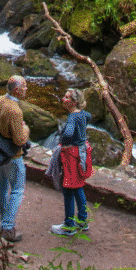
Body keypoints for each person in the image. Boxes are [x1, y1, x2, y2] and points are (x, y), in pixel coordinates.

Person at [0, 75, 30, 244]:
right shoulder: (15, 110)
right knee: (18, 190)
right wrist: (26, 128)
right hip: (12, 156)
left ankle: (3, 222)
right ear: (17, 90)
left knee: (2, 187)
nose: (27, 89)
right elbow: (20, 140)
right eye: (25, 86)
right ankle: (7, 227)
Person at [51, 88, 93, 235]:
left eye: (66, 97)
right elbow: (89, 116)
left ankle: (68, 226)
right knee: (78, 187)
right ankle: (82, 221)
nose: (63, 99)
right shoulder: (82, 115)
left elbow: (68, 133)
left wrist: (61, 139)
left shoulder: (72, 117)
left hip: (71, 155)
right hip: (82, 152)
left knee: (68, 189)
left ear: (73, 103)